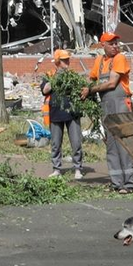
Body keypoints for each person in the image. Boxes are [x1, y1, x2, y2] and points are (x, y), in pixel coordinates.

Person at [86, 31, 133, 193]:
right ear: (103, 45)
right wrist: (83, 88)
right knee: (111, 144)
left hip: (121, 103)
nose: (116, 46)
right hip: (106, 105)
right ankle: (117, 183)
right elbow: (91, 78)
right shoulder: (100, 61)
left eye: (117, 43)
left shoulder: (119, 58)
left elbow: (112, 83)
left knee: (122, 142)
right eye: (112, 44)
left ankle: (129, 184)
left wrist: (91, 90)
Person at [40, 49, 84, 180]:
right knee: (55, 143)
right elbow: (44, 90)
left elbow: (81, 89)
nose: (67, 62)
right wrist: (55, 78)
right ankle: (57, 169)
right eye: (64, 60)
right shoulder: (49, 75)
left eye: (68, 60)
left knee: (76, 142)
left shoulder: (72, 75)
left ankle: (78, 168)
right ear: (58, 62)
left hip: (72, 112)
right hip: (56, 112)